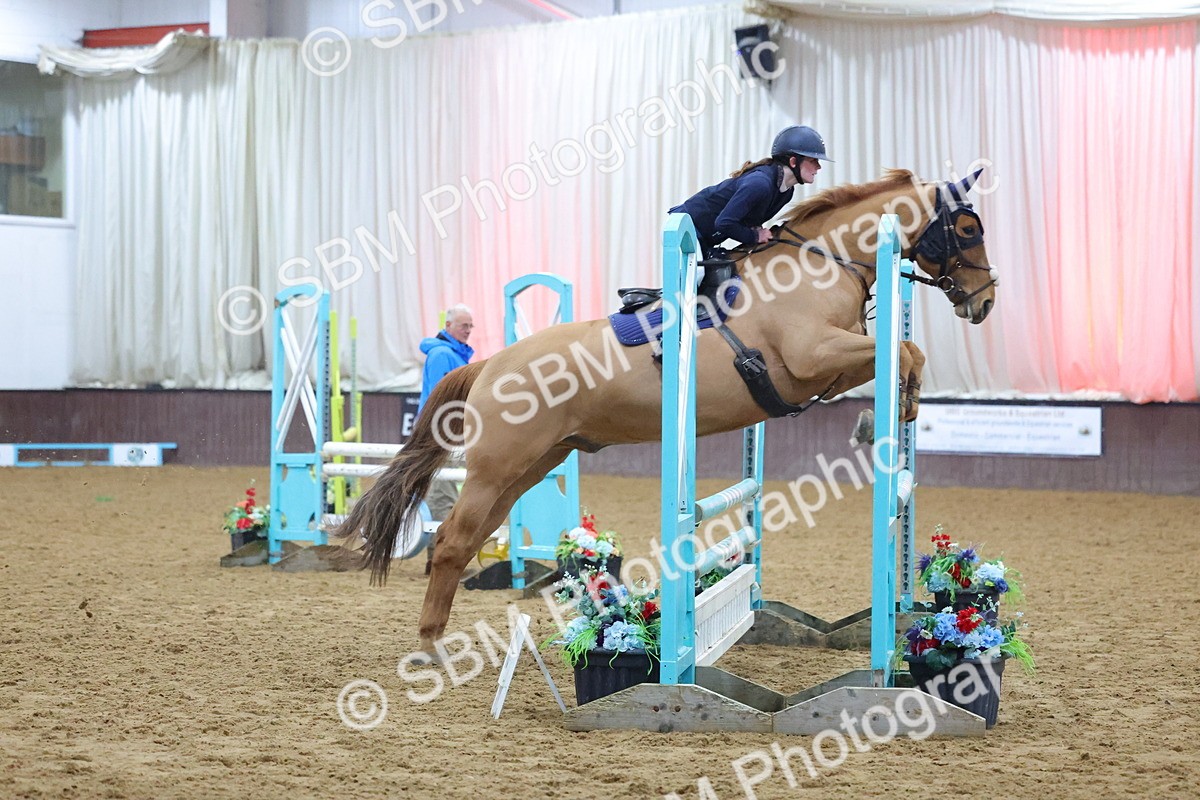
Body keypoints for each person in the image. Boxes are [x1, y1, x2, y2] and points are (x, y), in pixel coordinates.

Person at [669, 125, 833, 262]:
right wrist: (755, 236)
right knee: (698, 276)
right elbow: (724, 223)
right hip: (683, 228)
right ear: (793, 161)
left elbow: (745, 222)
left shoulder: (786, 192)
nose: (818, 167)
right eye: (813, 161)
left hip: (706, 238)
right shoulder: (759, 184)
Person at [417, 304, 474, 573]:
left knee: (446, 493)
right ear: (448, 326)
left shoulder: (453, 354)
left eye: (470, 326)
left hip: (450, 431)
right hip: (442, 433)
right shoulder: (443, 355)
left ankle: (438, 556)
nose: (468, 331)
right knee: (443, 496)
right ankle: (437, 559)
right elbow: (442, 400)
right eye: (464, 325)